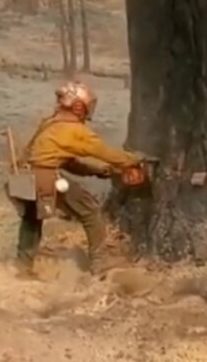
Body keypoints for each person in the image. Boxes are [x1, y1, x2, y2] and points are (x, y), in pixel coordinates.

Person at [14, 81, 142, 277]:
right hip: (46, 178)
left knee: (31, 220)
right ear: (79, 106)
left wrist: (98, 171)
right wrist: (134, 159)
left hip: (26, 177)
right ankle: (99, 263)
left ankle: (22, 267)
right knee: (90, 210)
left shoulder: (50, 123)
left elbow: (67, 162)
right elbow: (106, 153)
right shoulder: (74, 130)